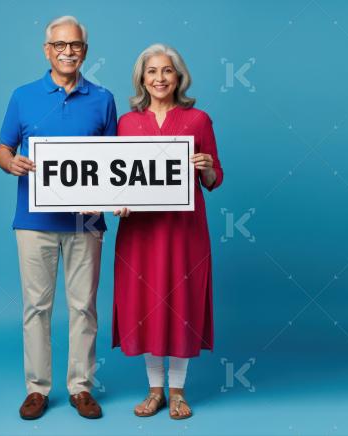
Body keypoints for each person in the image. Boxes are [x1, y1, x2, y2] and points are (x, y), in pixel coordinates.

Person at [0, 15, 117, 420]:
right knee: (36, 307)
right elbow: (2, 148)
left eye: (76, 45)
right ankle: (37, 389)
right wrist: (10, 163)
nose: (68, 52)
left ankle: (81, 387)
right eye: (60, 45)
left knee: (84, 307)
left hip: (86, 224)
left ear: (85, 50)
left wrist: (108, 197)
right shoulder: (23, 96)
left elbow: (116, 163)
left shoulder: (102, 98)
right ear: (47, 50)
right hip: (34, 221)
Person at [111, 43, 224, 420]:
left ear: (179, 77)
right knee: (145, 302)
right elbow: (118, 178)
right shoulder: (126, 123)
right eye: (152, 72)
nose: (159, 78)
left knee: (181, 303)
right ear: (141, 78)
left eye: (167, 71)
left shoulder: (199, 120)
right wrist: (117, 200)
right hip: (140, 231)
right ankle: (154, 390)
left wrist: (206, 166)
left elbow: (214, 179)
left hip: (183, 230)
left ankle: (177, 392)